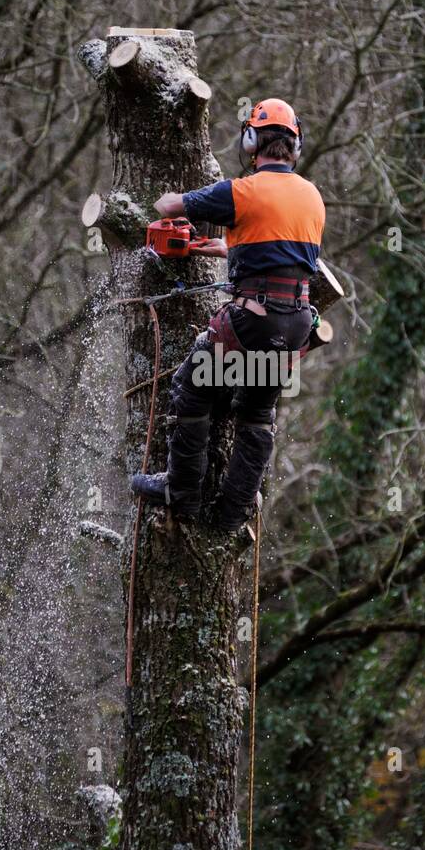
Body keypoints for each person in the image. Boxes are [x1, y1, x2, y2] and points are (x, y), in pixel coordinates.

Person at [130, 98, 326, 532]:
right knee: (256, 414)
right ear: (295, 146)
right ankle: (232, 514)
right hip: (294, 326)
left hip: (250, 322)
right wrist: (220, 246)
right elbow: (281, 250)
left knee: (191, 388)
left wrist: (162, 202)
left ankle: (181, 493)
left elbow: (169, 208)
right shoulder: (312, 197)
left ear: (251, 140)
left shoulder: (241, 191)